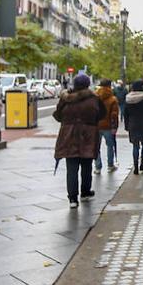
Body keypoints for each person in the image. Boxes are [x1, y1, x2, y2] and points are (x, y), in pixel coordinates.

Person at [52, 74, 105, 208]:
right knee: (87, 165)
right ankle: (85, 192)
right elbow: (101, 114)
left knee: (71, 168)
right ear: (87, 84)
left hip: (69, 136)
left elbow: (58, 115)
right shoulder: (93, 99)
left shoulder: (66, 99)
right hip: (88, 136)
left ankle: (72, 199)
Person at [124, 80, 143, 173]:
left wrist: (127, 126)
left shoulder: (128, 98)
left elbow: (126, 114)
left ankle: (135, 167)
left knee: (135, 146)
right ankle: (142, 165)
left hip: (133, 125)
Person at [94, 78, 120, 173]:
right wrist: (114, 126)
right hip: (108, 126)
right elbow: (114, 115)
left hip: (96, 126)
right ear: (110, 86)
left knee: (96, 147)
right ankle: (110, 165)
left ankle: (97, 167)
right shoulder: (112, 99)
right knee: (110, 145)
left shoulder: (95, 97)